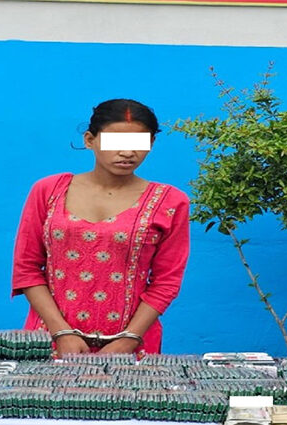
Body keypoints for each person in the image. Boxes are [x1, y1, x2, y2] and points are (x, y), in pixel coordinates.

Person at [11, 99, 190, 357]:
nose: (127, 152)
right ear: (89, 140)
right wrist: (61, 333)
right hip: (49, 340)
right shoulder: (48, 191)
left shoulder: (170, 202)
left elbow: (166, 282)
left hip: (131, 348)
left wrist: (127, 341)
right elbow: (27, 269)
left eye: (139, 142)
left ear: (151, 143)